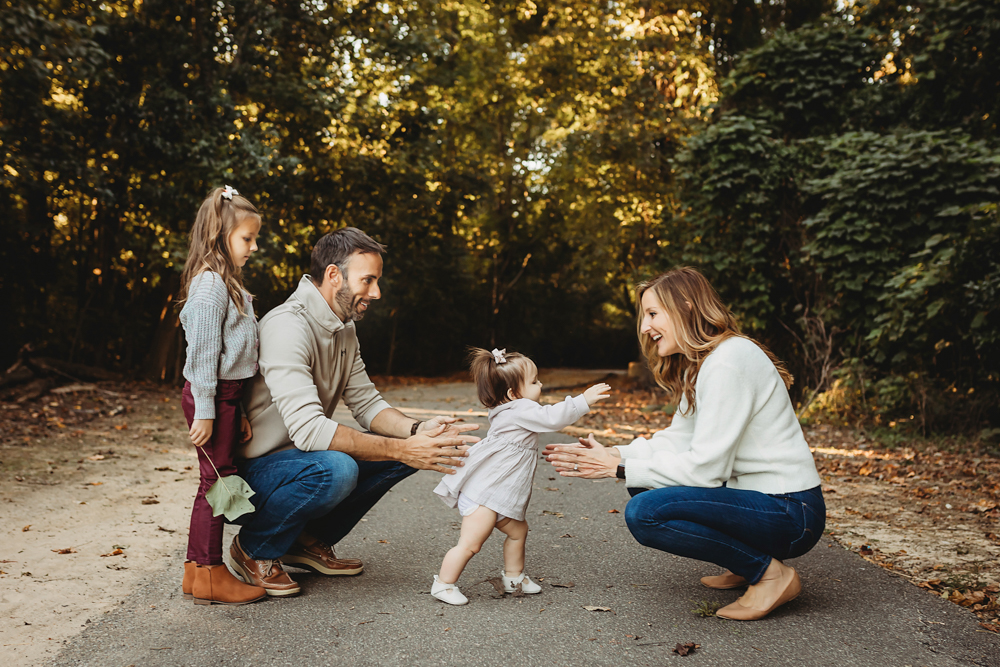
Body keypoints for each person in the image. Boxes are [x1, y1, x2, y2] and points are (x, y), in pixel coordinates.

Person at [544, 267, 825, 621]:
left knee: (644, 512)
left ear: (687, 306)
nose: (645, 327)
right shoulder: (704, 363)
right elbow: (680, 438)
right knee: (644, 483)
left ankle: (770, 574)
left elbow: (707, 468)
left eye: (652, 314)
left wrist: (616, 468)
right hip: (764, 502)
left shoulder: (728, 361)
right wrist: (617, 454)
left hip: (791, 512)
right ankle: (748, 560)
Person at [229, 227, 479, 597]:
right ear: (334, 275)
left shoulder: (343, 328)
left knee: (408, 451)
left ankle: (305, 540)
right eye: (368, 280)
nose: (376, 293)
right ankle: (253, 547)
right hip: (258, 473)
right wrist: (401, 447)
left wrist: (418, 430)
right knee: (338, 468)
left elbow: (366, 403)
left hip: (300, 463)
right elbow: (311, 431)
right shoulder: (287, 326)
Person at [429, 347, 610, 605]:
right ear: (514, 393)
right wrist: (582, 400)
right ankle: (443, 584)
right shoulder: (520, 409)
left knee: (518, 531)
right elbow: (551, 418)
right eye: (534, 381)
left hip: (496, 493)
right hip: (485, 495)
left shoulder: (513, 410)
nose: (541, 384)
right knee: (471, 544)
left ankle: (514, 577)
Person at [177, 185, 267, 606]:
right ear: (220, 235)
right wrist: (209, 410)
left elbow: (237, 356)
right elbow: (203, 356)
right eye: (246, 238)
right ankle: (211, 571)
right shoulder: (211, 286)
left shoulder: (228, 285)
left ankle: (197, 571)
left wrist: (239, 409)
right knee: (219, 482)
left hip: (228, 396)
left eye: (254, 238)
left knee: (212, 480)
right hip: (210, 394)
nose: (253, 247)